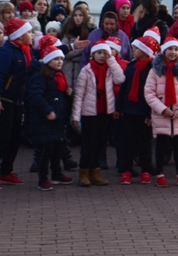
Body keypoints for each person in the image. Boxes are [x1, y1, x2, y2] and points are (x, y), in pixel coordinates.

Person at [0, 19, 34, 190]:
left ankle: (5, 171)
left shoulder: (24, 51)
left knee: (15, 138)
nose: (31, 35)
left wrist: (70, 47)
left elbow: (43, 55)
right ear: (20, 35)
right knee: (2, 138)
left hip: (17, 100)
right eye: (29, 32)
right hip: (5, 100)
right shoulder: (7, 52)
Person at [71, 41, 125, 187]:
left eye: (105, 53)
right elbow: (79, 95)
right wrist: (76, 116)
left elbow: (120, 78)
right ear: (92, 54)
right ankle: (84, 172)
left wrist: (111, 60)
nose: (102, 56)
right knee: (88, 144)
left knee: (100, 143)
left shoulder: (109, 69)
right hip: (89, 113)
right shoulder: (86, 71)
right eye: (99, 53)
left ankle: (95, 172)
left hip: (105, 112)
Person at [144, 38, 178, 188]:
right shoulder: (155, 71)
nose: (173, 52)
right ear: (163, 51)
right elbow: (149, 93)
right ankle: (160, 174)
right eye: (170, 49)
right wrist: (162, 109)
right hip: (162, 115)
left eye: (176, 49)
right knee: (161, 146)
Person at [27, 46, 73, 191]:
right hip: (44, 119)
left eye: (61, 59)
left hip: (57, 118)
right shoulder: (40, 76)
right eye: (55, 59)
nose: (59, 62)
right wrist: (47, 110)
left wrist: (67, 93)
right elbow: (35, 96)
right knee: (46, 150)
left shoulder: (58, 75)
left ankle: (56, 174)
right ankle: (43, 178)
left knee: (57, 148)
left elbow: (59, 97)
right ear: (47, 60)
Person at [115, 36, 159, 185]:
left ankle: (146, 169)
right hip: (129, 110)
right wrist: (119, 107)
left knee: (145, 143)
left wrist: (151, 113)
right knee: (128, 142)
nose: (133, 51)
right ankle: (126, 169)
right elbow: (124, 88)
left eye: (137, 48)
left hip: (144, 110)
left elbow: (154, 92)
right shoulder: (131, 66)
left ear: (145, 51)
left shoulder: (152, 68)